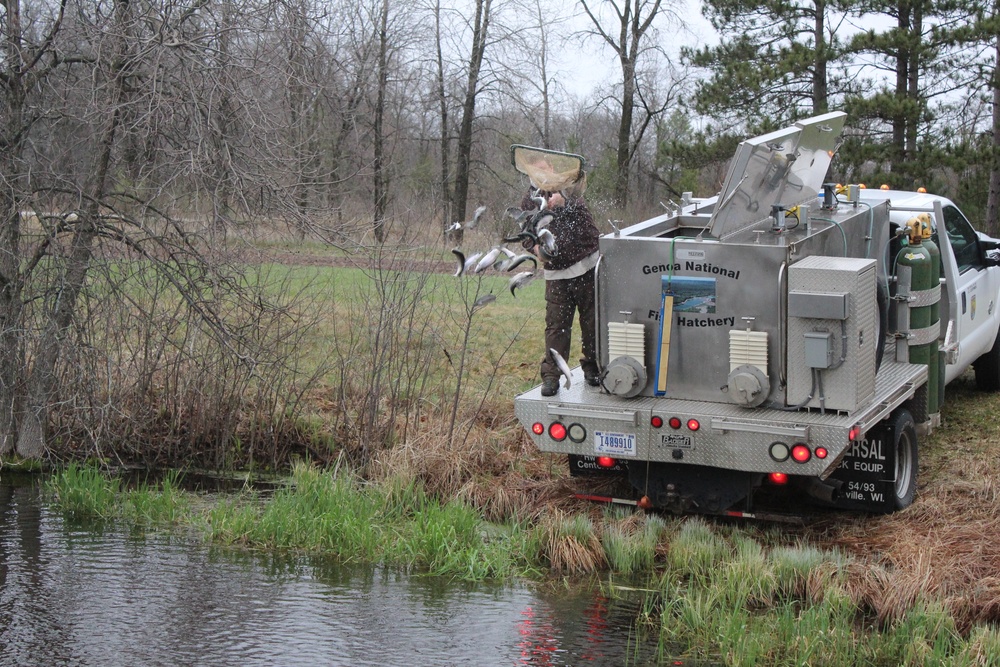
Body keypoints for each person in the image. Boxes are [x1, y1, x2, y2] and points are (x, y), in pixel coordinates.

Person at [521, 169, 601, 396]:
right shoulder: (530, 200)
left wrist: (564, 203)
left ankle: (593, 367)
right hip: (556, 275)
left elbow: (589, 228)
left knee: (592, 321)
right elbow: (525, 233)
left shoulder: (571, 194)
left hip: (586, 268)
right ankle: (551, 376)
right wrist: (535, 248)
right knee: (557, 327)